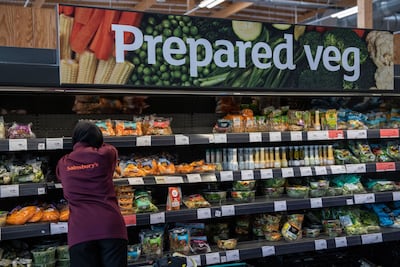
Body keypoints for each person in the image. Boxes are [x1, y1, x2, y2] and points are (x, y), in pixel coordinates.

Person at [56, 121, 128, 267]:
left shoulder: (63, 163)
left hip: (80, 232)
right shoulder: (106, 155)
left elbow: (60, 176)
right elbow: (111, 149)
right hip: (111, 227)